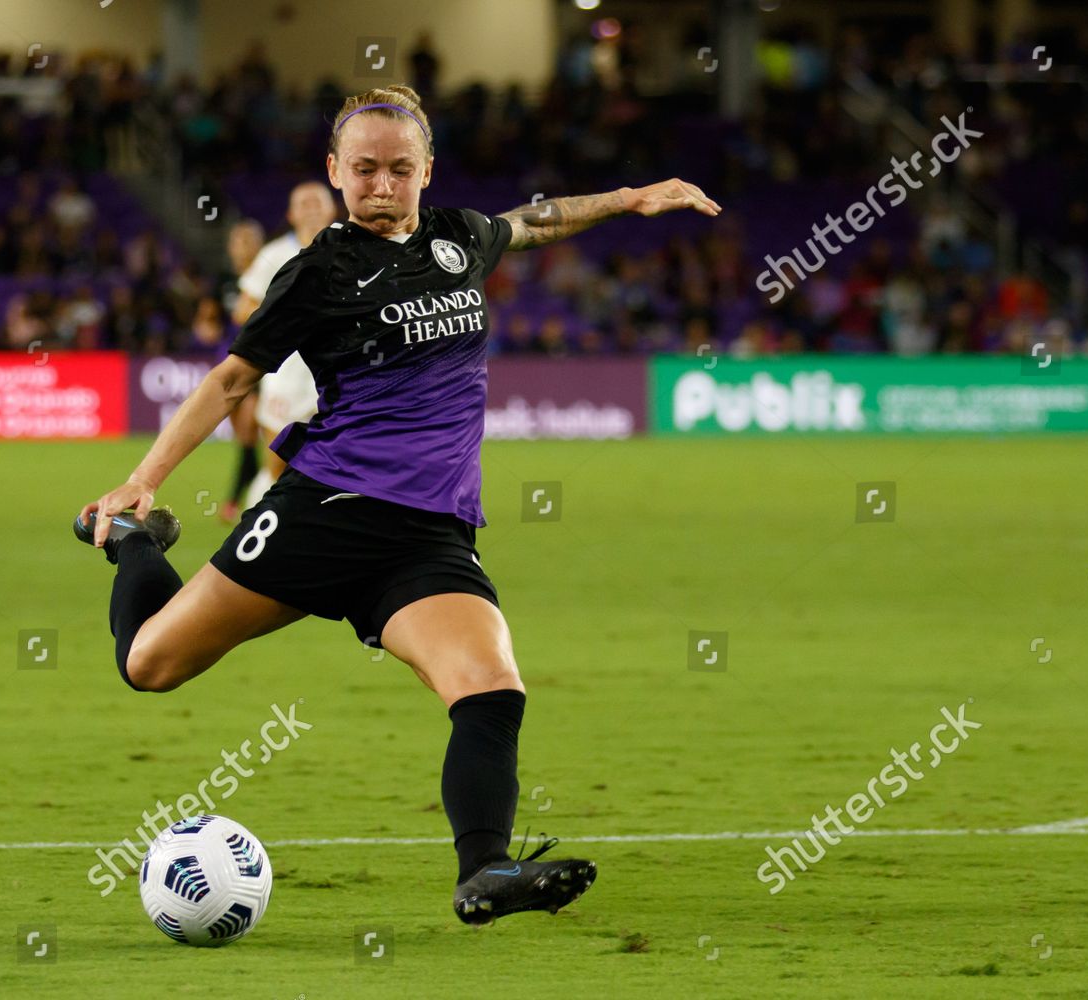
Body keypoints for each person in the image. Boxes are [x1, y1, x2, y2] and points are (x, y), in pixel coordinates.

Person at [75, 84, 719, 923]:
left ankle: (484, 872)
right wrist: (145, 480)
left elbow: (540, 218)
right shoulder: (317, 272)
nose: (383, 185)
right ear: (337, 172)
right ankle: (130, 541)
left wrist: (631, 198)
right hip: (326, 514)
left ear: (427, 172)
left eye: (401, 169)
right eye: (367, 169)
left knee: (490, 688)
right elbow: (233, 378)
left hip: (430, 538)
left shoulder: (459, 240)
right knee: (150, 665)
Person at [232, 182, 340, 512]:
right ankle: (258, 523)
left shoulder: (356, 245)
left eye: (316, 201)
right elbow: (242, 311)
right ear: (290, 214)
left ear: (332, 208)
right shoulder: (273, 255)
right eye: (302, 203)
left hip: (341, 374)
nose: (310, 207)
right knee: (278, 463)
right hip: (286, 376)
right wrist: (289, 311)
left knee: (341, 465)